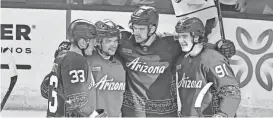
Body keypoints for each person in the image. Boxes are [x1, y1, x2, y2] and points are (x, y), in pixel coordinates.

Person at [118, 5, 236, 117]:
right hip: (132, 113)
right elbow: (106, 39)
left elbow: (198, 46)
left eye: (141, 29)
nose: (136, 32)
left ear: (152, 28)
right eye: (134, 27)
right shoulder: (124, 41)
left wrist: (220, 46)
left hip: (165, 114)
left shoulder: (171, 44)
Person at [174, 17, 241, 117]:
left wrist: (223, 114)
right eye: (179, 36)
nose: (180, 40)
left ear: (196, 37)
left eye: (184, 36)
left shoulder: (213, 59)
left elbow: (231, 91)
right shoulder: (181, 59)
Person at [40, 19, 99, 117]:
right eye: (93, 41)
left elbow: (45, 91)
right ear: (82, 43)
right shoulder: (76, 61)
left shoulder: (61, 57)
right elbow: (77, 103)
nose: (95, 44)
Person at [86, 19, 126, 117]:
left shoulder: (121, 63)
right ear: (98, 42)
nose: (113, 45)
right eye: (108, 41)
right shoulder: (87, 61)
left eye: (115, 41)